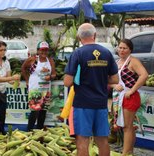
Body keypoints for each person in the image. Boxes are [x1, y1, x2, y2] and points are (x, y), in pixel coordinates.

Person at [64, 23, 119, 156]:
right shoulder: (106, 53)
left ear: (79, 37)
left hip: (83, 104)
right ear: (95, 35)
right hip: (101, 103)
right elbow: (115, 79)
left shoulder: (77, 53)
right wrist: (99, 78)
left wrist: (83, 79)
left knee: (83, 141)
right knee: (103, 141)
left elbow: (67, 82)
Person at [111, 39, 148, 156]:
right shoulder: (116, 62)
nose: (122, 50)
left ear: (130, 50)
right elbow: (109, 80)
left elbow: (144, 75)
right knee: (126, 127)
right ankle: (129, 152)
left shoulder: (133, 61)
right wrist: (114, 85)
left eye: (125, 48)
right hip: (118, 97)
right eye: (120, 48)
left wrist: (132, 90)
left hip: (129, 97)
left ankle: (125, 153)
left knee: (127, 127)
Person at [21, 41, 56, 131]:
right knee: (34, 111)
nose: (44, 52)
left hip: (46, 90)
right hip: (35, 89)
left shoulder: (50, 61)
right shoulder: (33, 59)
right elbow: (23, 68)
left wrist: (51, 77)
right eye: (42, 50)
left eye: (46, 50)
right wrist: (27, 80)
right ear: (38, 51)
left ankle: (39, 131)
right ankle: (29, 131)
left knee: (43, 112)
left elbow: (54, 74)